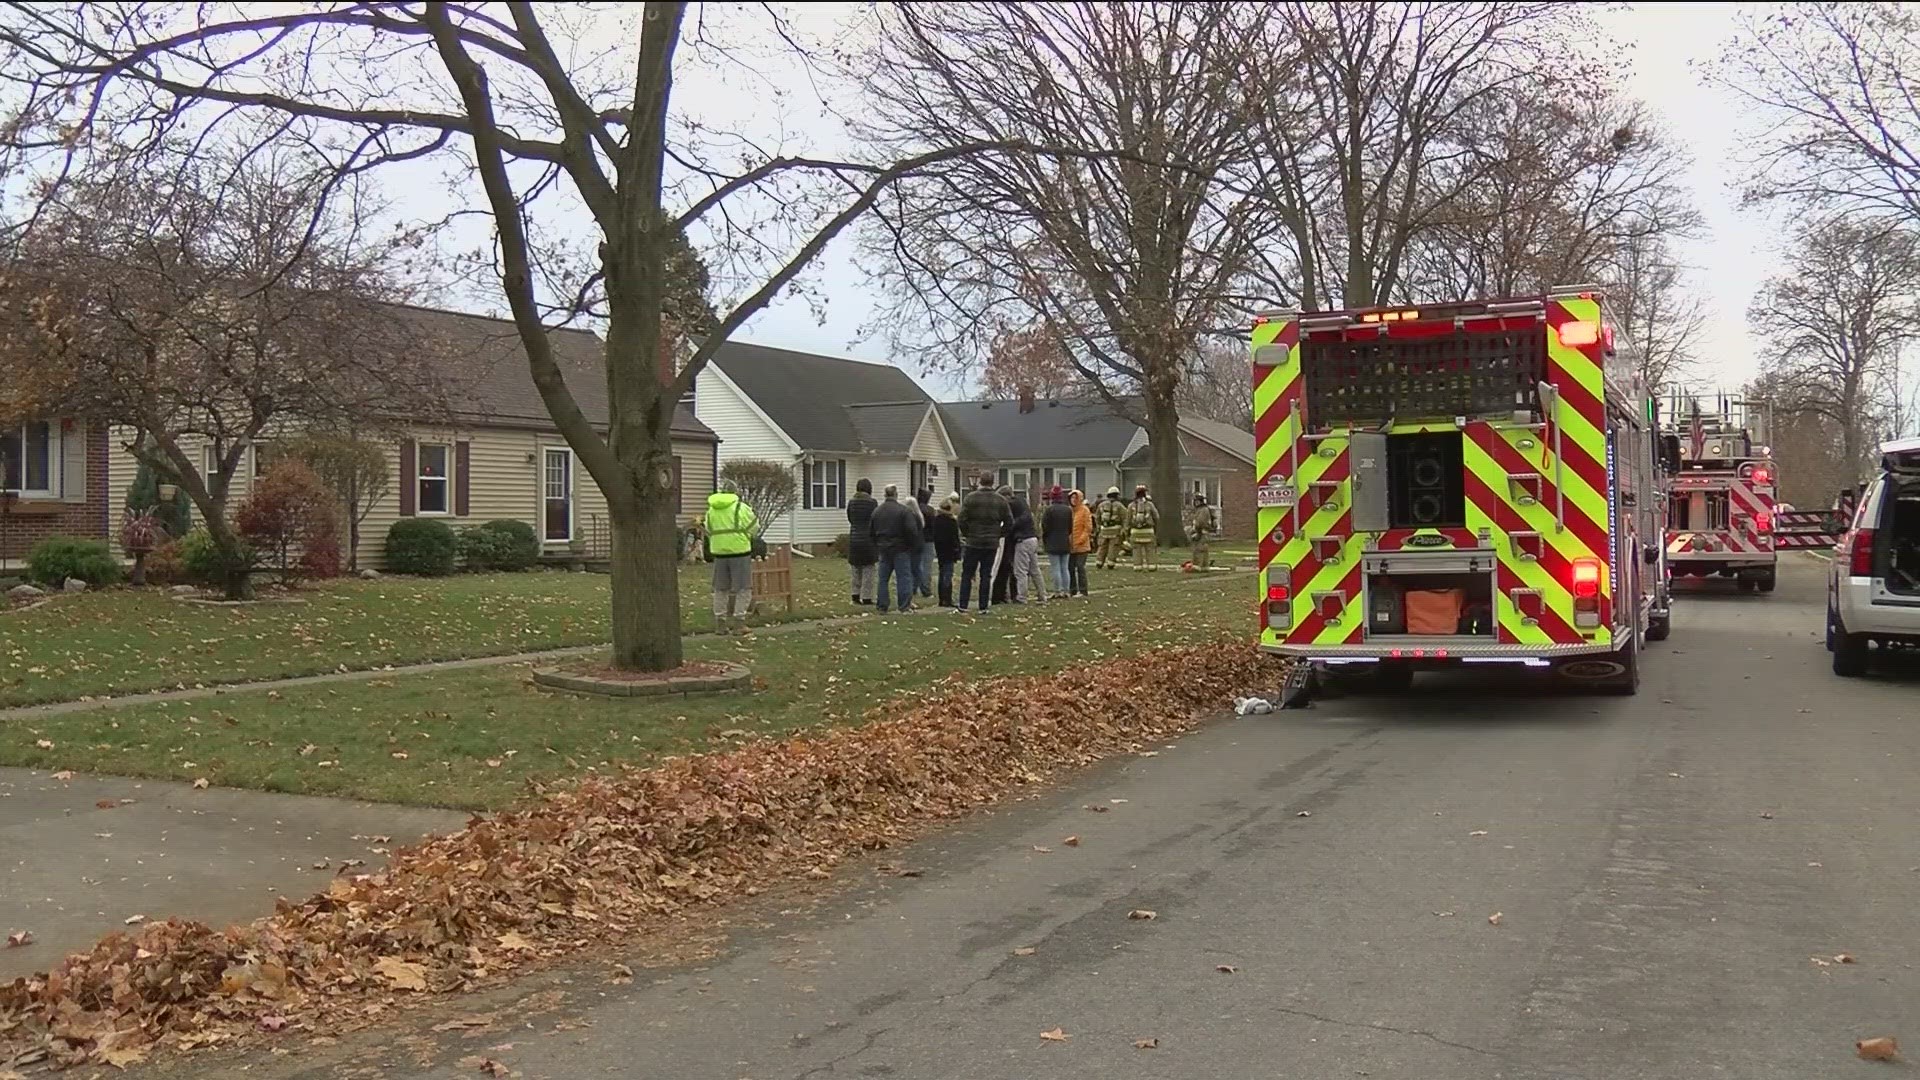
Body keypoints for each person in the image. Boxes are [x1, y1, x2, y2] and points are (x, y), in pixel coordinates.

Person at [702, 481, 759, 635]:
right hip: (739, 552)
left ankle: (720, 624)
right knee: (743, 588)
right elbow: (754, 527)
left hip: (719, 553)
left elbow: (708, 529)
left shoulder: (711, 510)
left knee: (720, 589)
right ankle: (739, 623)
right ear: (735, 493)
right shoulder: (741, 508)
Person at [957, 472, 1012, 614]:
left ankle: (963, 604)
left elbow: (961, 519)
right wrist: (999, 534)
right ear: (992, 482)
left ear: (980, 481)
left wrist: (967, 533)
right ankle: (983, 606)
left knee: (967, 574)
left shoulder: (970, 498)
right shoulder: (1000, 500)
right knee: (986, 575)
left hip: (973, 540)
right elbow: (1009, 521)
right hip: (991, 542)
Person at [869, 483, 922, 614]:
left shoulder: (877, 511)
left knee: (883, 579)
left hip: (884, 549)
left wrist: (878, 544)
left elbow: (871, 531)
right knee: (903, 577)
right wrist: (911, 545)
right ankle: (904, 606)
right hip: (901, 548)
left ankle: (882, 605)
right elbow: (912, 531)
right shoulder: (904, 511)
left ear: (885, 495)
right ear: (896, 495)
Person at [1006, 484, 1048, 603]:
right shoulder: (1024, 506)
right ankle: (1042, 594)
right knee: (1034, 570)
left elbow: (1012, 525)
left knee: (1020, 571)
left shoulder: (1013, 507)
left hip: (1022, 541)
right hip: (1032, 539)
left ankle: (1022, 597)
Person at [846, 478, 878, 605]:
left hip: (854, 538)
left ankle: (855, 595)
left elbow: (850, 518)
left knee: (855, 568)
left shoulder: (851, 503)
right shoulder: (872, 503)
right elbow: (875, 519)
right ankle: (866, 597)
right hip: (868, 539)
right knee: (868, 568)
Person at [1040, 484, 1075, 596]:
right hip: (1065, 541)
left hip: (1052, 541)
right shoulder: (1068, 510)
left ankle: (1057, 591)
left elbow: (1045, 527)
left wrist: (1045, 538)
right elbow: (1070, 527)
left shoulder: (1049, 510)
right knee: (1065, 568)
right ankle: (1066, 590)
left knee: (1055, 568)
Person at [930, 494, 962, 608]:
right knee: (947, 574)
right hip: (950, 550)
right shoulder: (951, 521)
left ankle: (941, 598)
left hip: (940, 550)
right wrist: (958, 551)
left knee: (942, 573)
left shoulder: (937, 520)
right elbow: (955, 538)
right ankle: (947, 599)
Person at [1095, 486, 1130, 569]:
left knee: (1102, 546)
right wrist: (1124, 529)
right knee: (1113, 547)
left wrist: (1099, 526)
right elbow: (1125, 518)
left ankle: (1099, 562)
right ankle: (1110, 564)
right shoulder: (1119, 506)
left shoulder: (1101, 505)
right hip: (1115, 530)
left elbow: (1097, 517)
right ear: (1117, 495)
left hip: (1104, 530)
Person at [1068, 488, 1093, 596]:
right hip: (1070, 545)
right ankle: (1072, 589)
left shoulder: (1084, 510)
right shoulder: (1069, 511)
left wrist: (1080, 540)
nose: (1073, 500)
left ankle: (1083, 590)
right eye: (1072, 497)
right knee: (1070, 568)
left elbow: (1088, 528)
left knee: (1080, 567)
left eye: (1075, 497)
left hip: (1082, 545)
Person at [1128, 485, 1160, 570]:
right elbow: (1156, 516)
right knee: (1150, 549)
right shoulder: (1150, 504)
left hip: (1135, 531)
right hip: (1148, 531)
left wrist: (1127, 530)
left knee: (1136, 550)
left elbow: (1128, 519)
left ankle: (1137, 566)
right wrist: (1155, 526)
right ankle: (1151, 566)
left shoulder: (1131, 506)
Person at [1185, 490, 1218, 571]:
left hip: (1201, 532)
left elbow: (1200, 522)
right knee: (1204, 550)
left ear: (1199, 501)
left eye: (1196, 501)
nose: (1195, 503)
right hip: (1203, 532)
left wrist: (1196, 532)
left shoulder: (1203, 510)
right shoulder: (1202, 509)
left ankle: (1197, 566)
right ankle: (1204, 566)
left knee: (1198, 549)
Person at [914, 488, 937, 599]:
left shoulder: (913, 510)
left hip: (915, 540)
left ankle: (913, 588)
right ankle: (926, 590)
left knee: (915, 565)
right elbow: (934, 526)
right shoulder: (930, 511)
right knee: (926, 566)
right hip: (928, 540)